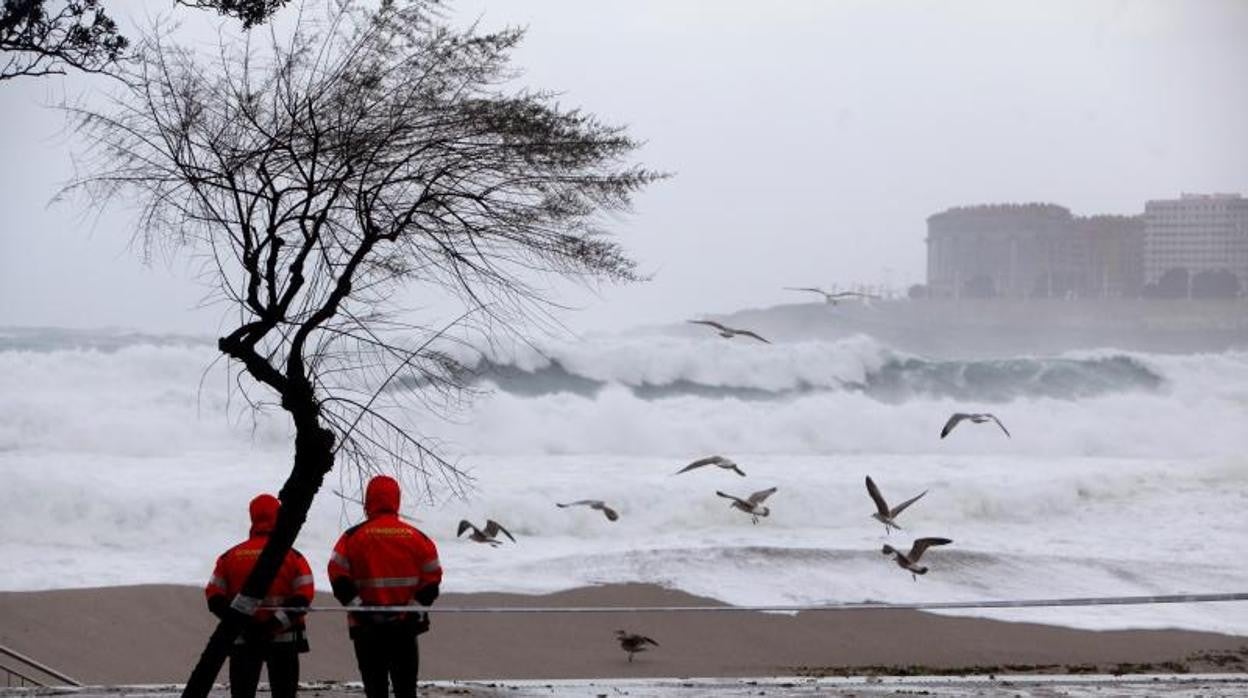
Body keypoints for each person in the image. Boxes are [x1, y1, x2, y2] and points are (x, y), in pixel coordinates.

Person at [328, 475, 442, 698]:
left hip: (366, 628)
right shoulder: (417, 537)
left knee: (375, 689)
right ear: (396, 500)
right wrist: (412, 611)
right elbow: (432, 579)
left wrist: (361, 610)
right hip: (405, 629)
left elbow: (337, 576)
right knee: (406, 688)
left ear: (367, 501)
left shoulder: (352, 537)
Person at [205, 494, 314, 698]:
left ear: (252, 517)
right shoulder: (293, 556)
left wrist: (242, 626)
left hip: (242, 640)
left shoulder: (229, 557)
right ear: (279, 516)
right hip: (284, 638)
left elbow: (213, 597)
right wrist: (272, 625)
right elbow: (304, 595)